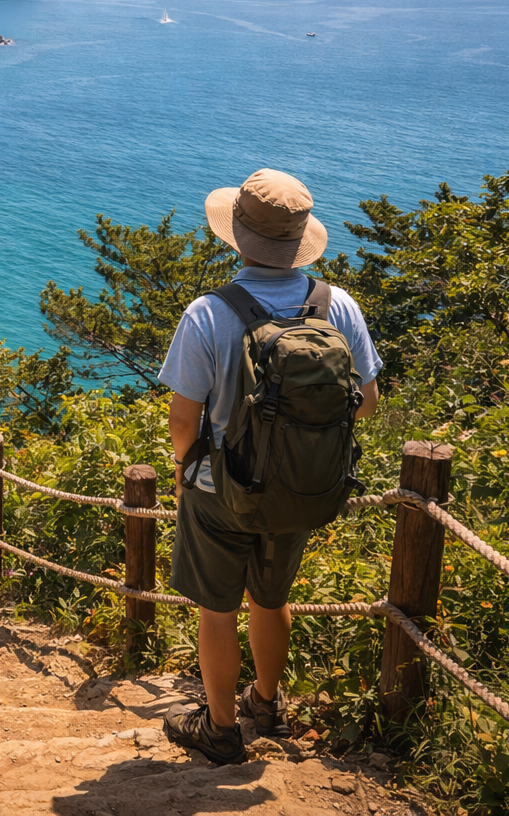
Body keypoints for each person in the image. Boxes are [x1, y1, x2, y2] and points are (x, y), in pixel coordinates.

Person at [157, 169, 382, 765]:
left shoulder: (209, 313)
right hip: (300, 487)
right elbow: (368, 400)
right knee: (271, 598)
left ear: (237, 235)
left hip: (219, 491)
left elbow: (184, 420)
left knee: (218, 609)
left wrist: (188, 473)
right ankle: (266, 700)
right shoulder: (339, 307)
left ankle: (221, 731)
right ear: (300, 239)